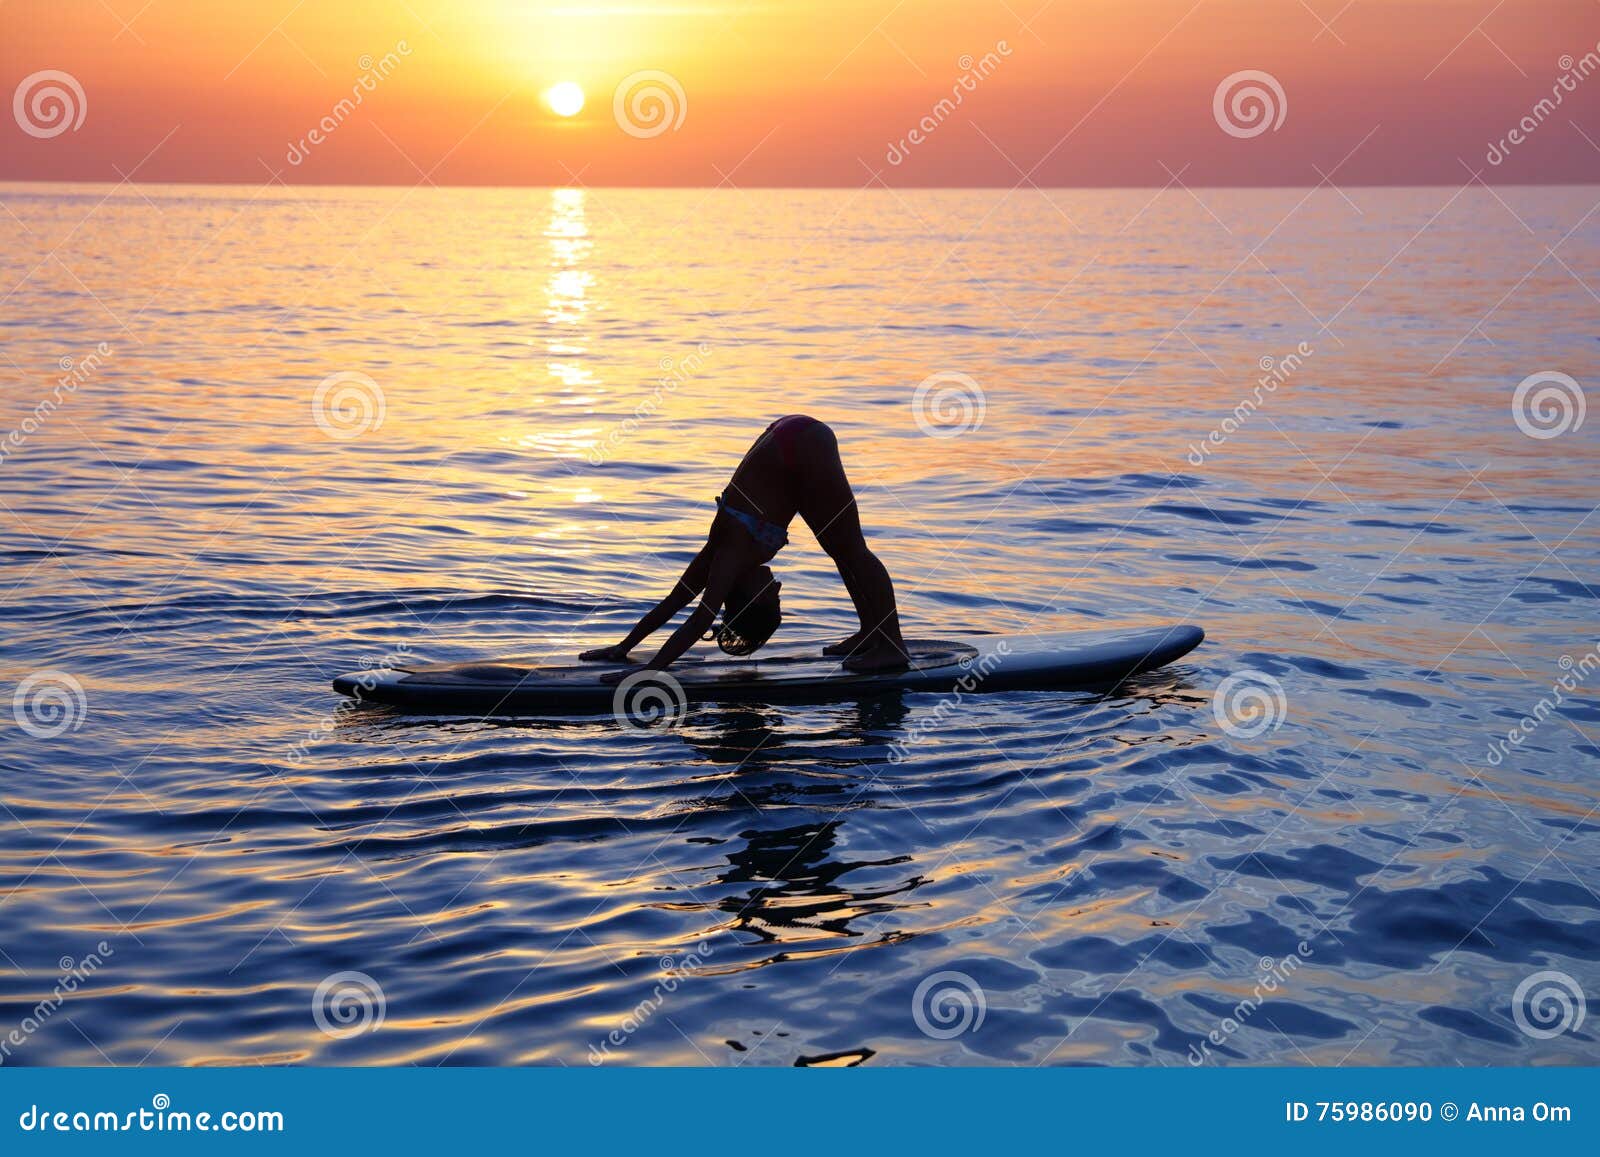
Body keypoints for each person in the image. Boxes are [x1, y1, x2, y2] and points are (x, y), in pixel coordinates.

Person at [582, 415, 910, 676]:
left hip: (801, 445)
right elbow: (674, 601)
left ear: (748, 598)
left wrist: (650, 670)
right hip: (789, 445)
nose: (778, 586)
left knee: (852, 550)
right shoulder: (720, 557)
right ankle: (871, 632)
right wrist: (622, 648)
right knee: (843, 552)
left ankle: (891, 645)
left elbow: (696, 618)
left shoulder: (728, 556)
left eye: (772, 597)